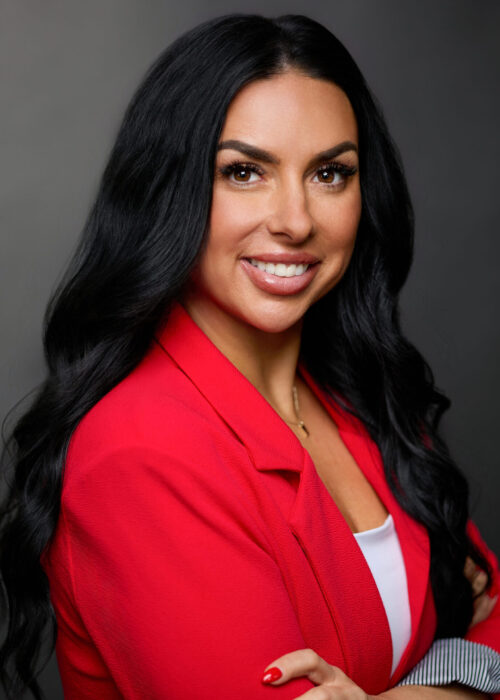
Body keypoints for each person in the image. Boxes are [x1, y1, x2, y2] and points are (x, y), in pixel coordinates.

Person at [0, 12, 499, 700]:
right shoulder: (143, 455)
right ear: (169, 191)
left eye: (330, 173)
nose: (295, 219)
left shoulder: (359, 396)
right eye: (244, 172)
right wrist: (463, 673)